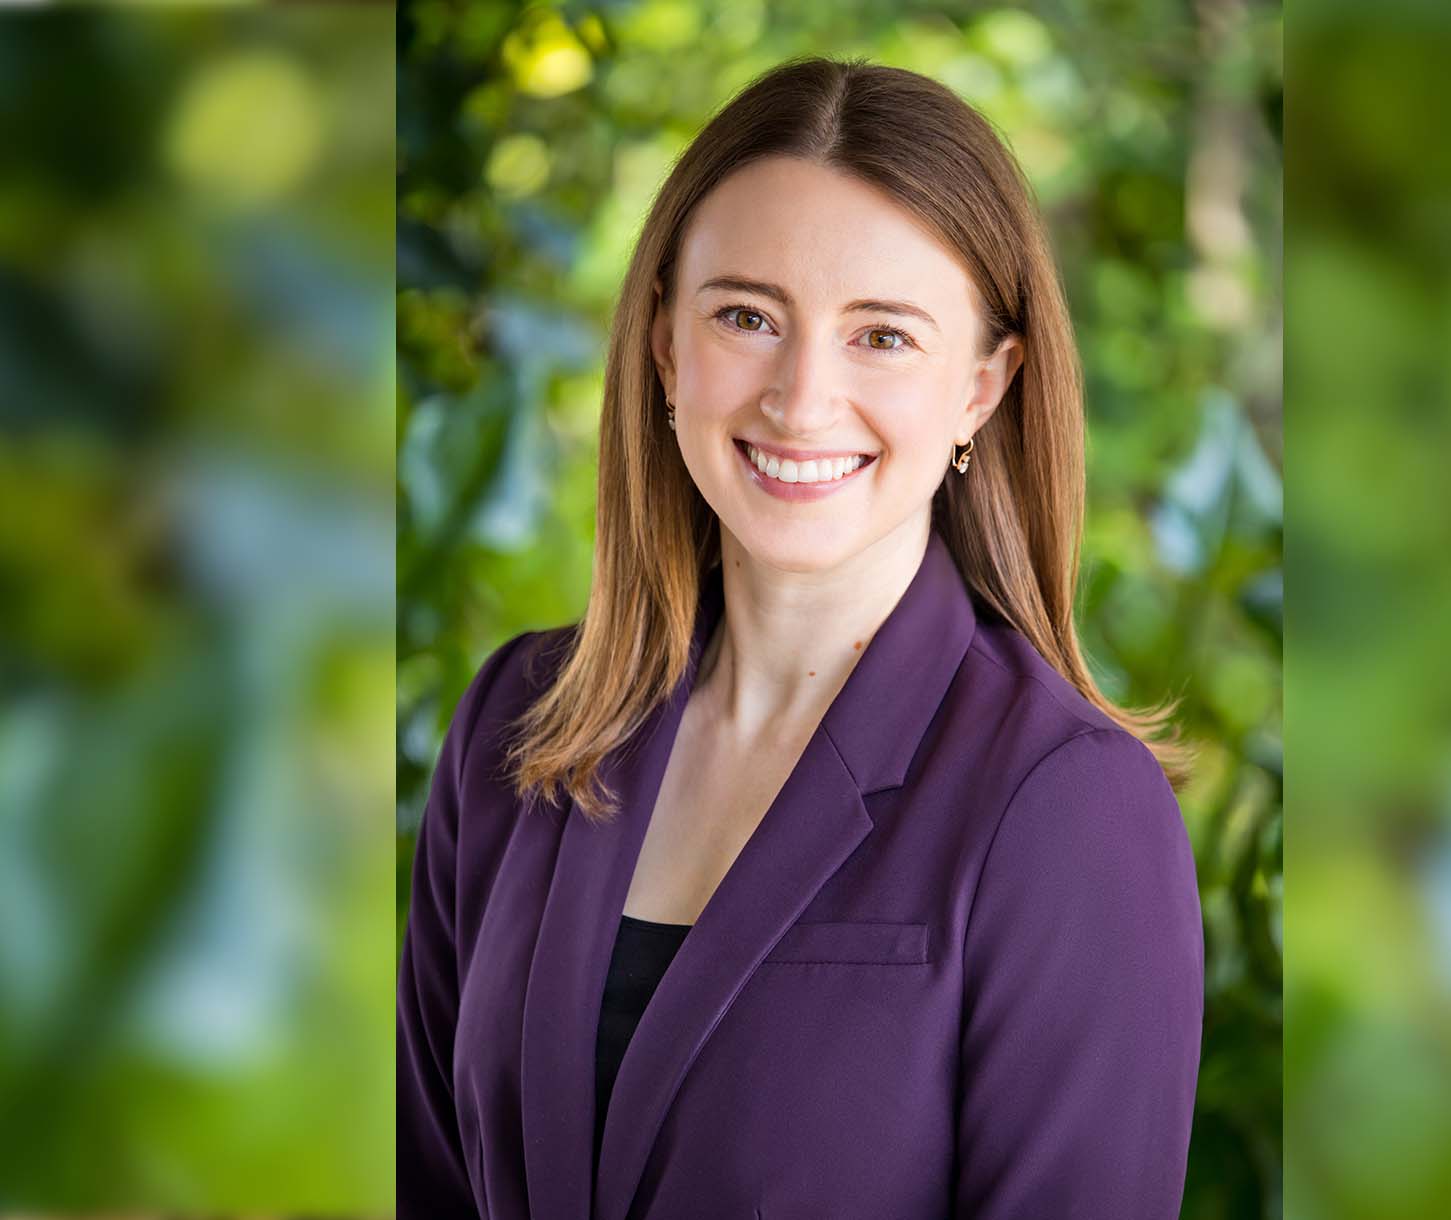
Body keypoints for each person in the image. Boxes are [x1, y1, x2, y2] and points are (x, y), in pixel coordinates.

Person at [398, 55, 1203, 1220]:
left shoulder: (1067, 804)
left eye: (882, 335)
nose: (800, 396)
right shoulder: (514, 726)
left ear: (983, 387)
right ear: (666, 344)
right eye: (746, 316)